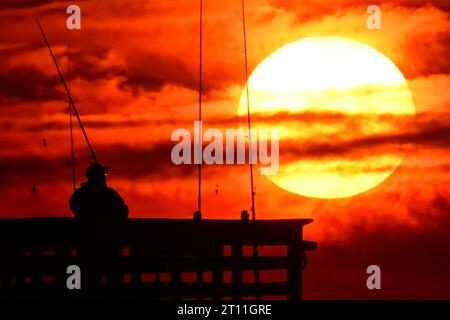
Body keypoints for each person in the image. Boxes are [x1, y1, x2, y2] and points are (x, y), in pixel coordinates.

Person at [69, 162, 128, 297]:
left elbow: (73, 206)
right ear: (99, 177)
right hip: (108, 248)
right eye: (103, 174)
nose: (105, 177)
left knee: (89, 284)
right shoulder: (110, 195)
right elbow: (124, 211)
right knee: (113, 285)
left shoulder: (79, 194)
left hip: (87, 248)